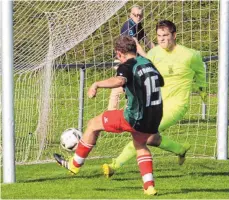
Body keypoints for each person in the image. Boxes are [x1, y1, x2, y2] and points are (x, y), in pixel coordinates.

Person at [54, 35, 165, 196]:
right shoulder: (147, 63)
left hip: (135, 116)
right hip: (155, 115)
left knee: (93, 124)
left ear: (119, 53)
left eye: (117, 56)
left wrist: (96, 84)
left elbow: (119, 81)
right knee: (140, 145)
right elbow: (160, 81)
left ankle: (74, 164)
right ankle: (149, 186)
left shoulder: (127, 65)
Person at [103, 20, 206, 177]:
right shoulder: (154, 54)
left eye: (165, 35)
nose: (162, 39)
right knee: (150, 137)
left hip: (176, 105)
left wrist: (202, 91)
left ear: (174, 35)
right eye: (159, 36)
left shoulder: (190, 55)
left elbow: (200, 74)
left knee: (141, 134)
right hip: (155, 103)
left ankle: (114, 166)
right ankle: (180, 149)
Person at [108, 5, 154, 110]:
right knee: (119, 87)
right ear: (130, 14)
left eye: (140, 15)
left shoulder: (139, 25)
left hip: (133, 62)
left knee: (131, 87)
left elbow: (148, 41)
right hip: (123, 60)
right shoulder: (129, 25)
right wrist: (149, 58)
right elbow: (136, 45)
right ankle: (112, 113)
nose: (138, 17)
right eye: (135, 15)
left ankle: (130, 112)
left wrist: (158, 52)